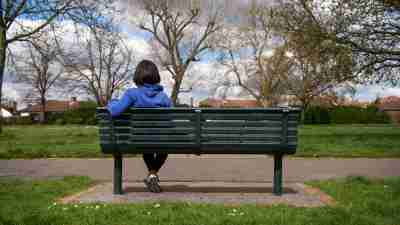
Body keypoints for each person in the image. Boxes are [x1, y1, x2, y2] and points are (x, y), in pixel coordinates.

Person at [106, 59, 172, 193]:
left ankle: (152, 175)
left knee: (146, 143)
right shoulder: (164, 97)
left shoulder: (132, 94)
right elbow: (173, 117)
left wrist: (112, 101)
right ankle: (153, 173)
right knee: (163, 147)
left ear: (138, 76)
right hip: (162, 140)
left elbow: (114, 111)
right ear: (155, 77)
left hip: (139, 139)